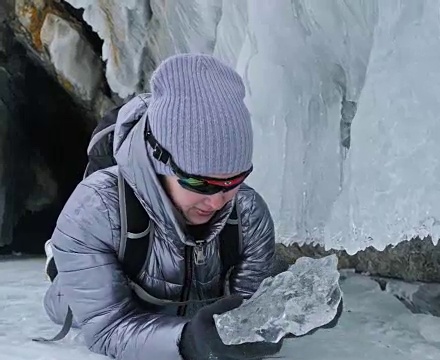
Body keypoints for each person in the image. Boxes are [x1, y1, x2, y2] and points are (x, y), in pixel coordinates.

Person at [41, 53, 284, 360]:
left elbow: (247, 318)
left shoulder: (249, 214)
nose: (218, 200)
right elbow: (107, 330)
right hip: (81, 293)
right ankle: (58, 260)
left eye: (235, 180)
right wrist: (187, 342)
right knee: (63, 296)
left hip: (186, 305)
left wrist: (293, 310)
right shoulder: (94, 209)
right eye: (200, 183)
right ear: (161, 163)